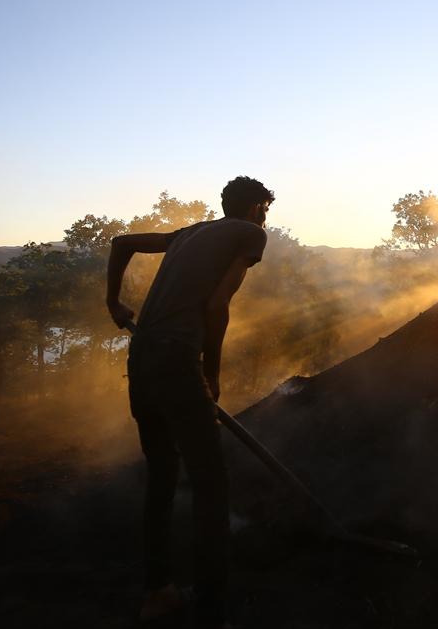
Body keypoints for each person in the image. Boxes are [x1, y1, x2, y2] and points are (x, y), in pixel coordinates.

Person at [106, 176, 274, 629]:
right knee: (210, 485)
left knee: (162, 476)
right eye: (265, 207)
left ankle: (157, 592)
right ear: (255, 206)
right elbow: (218, 305)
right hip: (178, 358)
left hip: (142, 359)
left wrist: (113, 303)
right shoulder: (251, 233)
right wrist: (212, 371)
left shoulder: (189, 233)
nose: (266, 216)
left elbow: (121, 243)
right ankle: (212, 610)